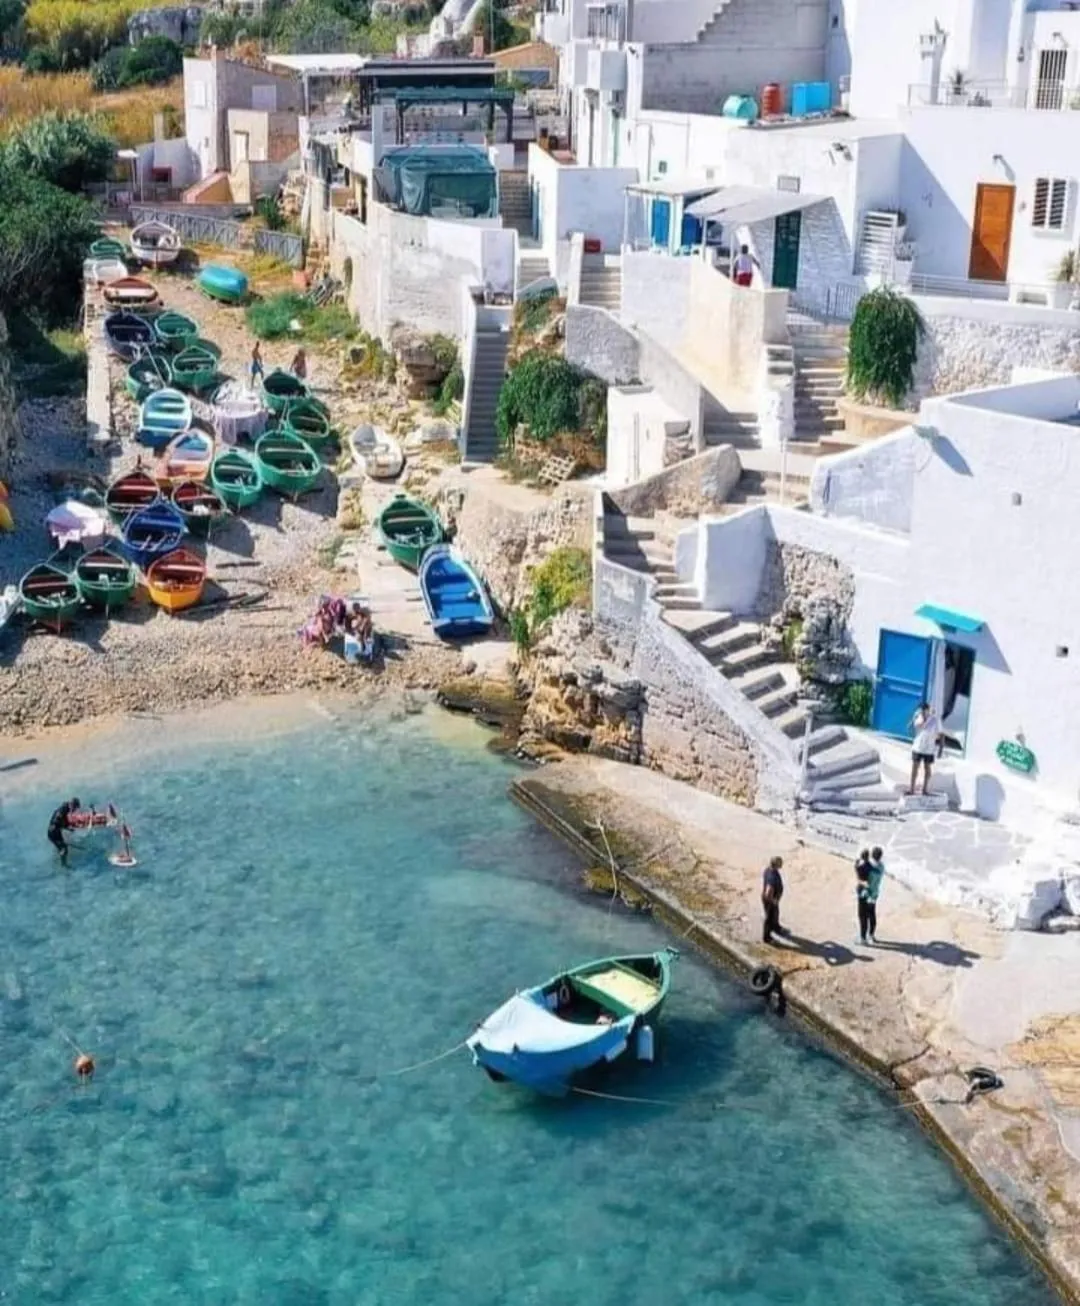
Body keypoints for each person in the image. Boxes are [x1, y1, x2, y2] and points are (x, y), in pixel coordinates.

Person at [909, 701, 940, 795]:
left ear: (927, 710)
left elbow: (940, 734)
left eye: (924, 710)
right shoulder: (918, 718)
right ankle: (912, 789)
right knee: (915, 767)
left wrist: (940, 748)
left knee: (927, 768)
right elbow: (913, 727)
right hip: (918, 747)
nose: (922, 712)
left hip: (929, 749)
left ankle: (925, 789)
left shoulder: (935, 720)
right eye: (921, 710)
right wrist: (916, 718)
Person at [47, 798, 81, 865]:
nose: (74, 810)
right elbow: (56, 822)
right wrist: (66, 827)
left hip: (56, 832)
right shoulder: (62, 810)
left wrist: (68, 827)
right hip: (53, 833)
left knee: (62, 848)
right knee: (64, 849)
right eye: (75, 808)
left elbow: (64, 820)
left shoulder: (65, 808)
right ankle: (64, 865)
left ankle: (59, 857)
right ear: (72, 805)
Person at [761, 855, 785, 944]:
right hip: (770, 901)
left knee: (775, 914)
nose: (782, 864)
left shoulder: (769, 870)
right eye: (780, 863)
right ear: (776, 864)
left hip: (771, 899)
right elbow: (768, 891)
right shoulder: (772, 876)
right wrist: (773, 900)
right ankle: (767, 938)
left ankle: (776, 927)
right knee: (769, 918)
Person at [855, 848, 873, 945]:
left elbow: (858, 875)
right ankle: (870, 934)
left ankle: (863, 937)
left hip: (862, 893)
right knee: (869, 915)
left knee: (862, 916)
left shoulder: (859, 867)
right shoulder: (870, 866)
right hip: (871, 893)